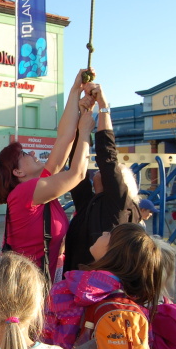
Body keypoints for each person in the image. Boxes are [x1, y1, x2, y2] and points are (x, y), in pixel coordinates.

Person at [0, 69, 95, 277]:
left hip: (36, 282)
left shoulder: (36, 188)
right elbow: (77, 174)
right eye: (24, 154)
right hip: (27, 286)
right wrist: (84, 132)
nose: (32, 153)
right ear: (18, 171)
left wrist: (76, 90)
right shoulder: (24, 193)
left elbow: (64, 137)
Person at [63, 84, 143, 272]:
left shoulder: (119, 204)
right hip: (76, 283)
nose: (101, 170)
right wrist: (83, 119)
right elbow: (76, 169)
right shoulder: (90, 204)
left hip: (101, 285)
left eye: (115, 172)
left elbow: (107, 157)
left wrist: (103, 107)